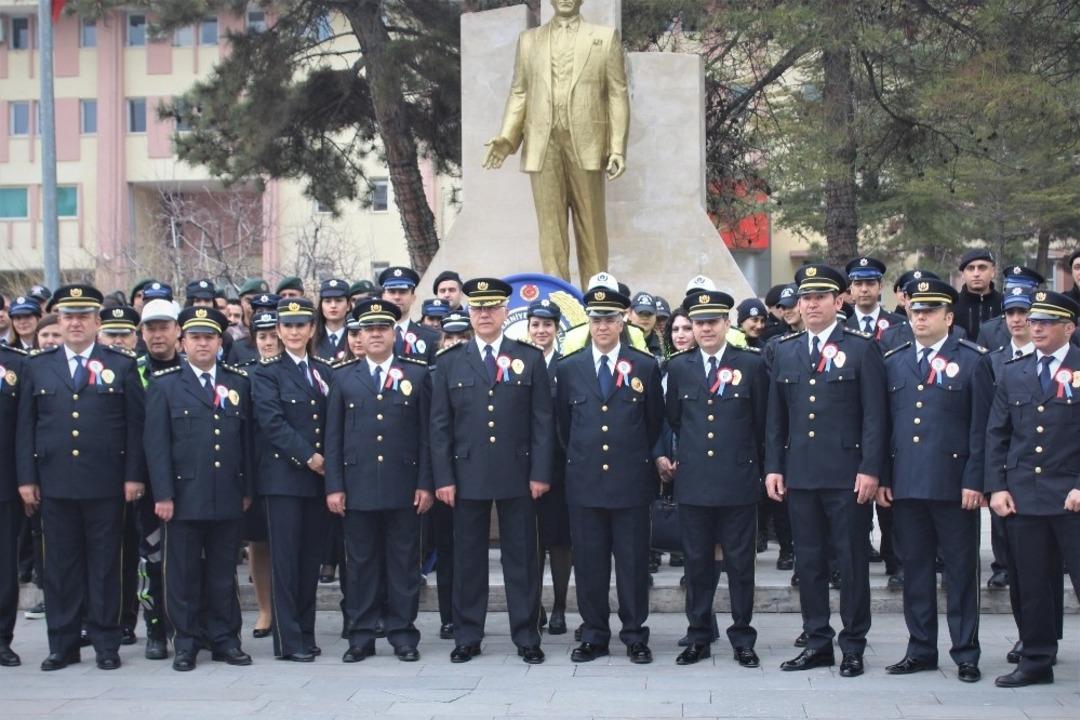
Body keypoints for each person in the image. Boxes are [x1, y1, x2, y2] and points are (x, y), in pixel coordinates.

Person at [764, 264, 887, 678]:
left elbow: (875, 416)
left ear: (840, 301)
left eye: (820, 297)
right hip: (800, 474)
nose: (811, 304)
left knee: (851, 562)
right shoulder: (785, 349)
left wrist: (872, 469)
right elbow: (775, 419)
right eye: (805, 298)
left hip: (847, 476)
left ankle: (853, 643)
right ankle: (817, 641)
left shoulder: (861, 348)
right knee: (810, 563)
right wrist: (773, 468)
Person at [16, 284, 146, 671]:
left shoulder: (120, 365)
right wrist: (27, 478)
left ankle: (107, 642)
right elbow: (27, 427)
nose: (75, 323)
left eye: (83, 316)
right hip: (54, 483)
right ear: (59, 319)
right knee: (59, 567)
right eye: (69, 316)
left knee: (106, 565)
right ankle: (63, 643)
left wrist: (133, 476)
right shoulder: (37, 365)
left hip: (106, 483)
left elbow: (134, 427)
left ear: (96, 321)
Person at [429, 277, 554, 665]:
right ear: (469, 313)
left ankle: (527, 635)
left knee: (523, 558)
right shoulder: (451, 361)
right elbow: (440, 426)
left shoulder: (529, 357)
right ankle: (467, 635)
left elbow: (543, 422)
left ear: (504, 312)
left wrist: (540, 472)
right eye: (477, 308)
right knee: (468, 559)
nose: (484, 314)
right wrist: (444, 478)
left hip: (518, 472)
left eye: (492, 307)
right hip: (466, 476)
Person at [877, 278, 992, 684]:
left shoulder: (975, 360)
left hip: (954, 484)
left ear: (948, 316)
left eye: (930, 311)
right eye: (916, 310)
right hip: (907, 484)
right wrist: (885, 477)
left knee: (961, 572)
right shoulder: (894, 359)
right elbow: (885, 425)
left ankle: (965, 652)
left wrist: (975, 481)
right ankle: (921, 648)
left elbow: (981, 429)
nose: (920, 316)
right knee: (916, 571)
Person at [482, 0, 629, 286]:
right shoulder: (529, 41)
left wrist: (617, 147)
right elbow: (519, 92)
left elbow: (617, 94)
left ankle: (597, 298)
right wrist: (508, 137)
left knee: (592, 228)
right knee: (551, 232)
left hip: (586, 144)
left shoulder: (603, 37)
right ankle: (557, 301)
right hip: (542, 143)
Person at [555, 285, 663, 665]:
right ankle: (595, 634)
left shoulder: (645, 366)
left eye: (610, 319)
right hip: (584, 484)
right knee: (589, 564)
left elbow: (653, 424)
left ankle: (635, 635)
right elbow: (563, 428)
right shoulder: (569, 368)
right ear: (588, 323)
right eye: (596, 319)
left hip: (630, 483)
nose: (602, 326)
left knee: (633, 564)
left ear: (623, 321)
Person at [144, 306, 255, 672]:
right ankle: (186, 643)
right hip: (182, 497)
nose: (202, 343)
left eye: (209, 337)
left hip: (226, 493)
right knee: (183, 574)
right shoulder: (165, 385)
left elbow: (246, 443)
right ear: (183, 340)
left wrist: (246, 488)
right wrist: (162, 494)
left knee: (223, 574)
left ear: (219, 341)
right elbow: (156, 446)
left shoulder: (237, 381)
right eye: (195, 337)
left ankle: (225, 639)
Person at [326, 299, 433, 662]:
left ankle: (403, 634)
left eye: (381, 329)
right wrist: (335, 486)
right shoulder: (343, 377)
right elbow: (333, 438)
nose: (374, 335)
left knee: (403, 565)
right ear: (360, 335)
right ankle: (361, 635)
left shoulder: (417, 375)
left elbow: (425, 436)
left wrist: (425, 483)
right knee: (360, 565)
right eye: (367, 330)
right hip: (357, 488)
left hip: (403, 485)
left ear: (392, 333)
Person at [665, 290, 766, 668]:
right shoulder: (679, 367)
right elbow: (675, 418)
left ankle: (742, 636)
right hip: (694, 482)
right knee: (696, 564)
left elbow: (761, 422)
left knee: (741, 564)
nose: (705, 328)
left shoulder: (751, 365)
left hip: (737, 479)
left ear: (727, 323)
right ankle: (699, 635)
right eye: (699, 322)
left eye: (713, 321)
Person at [986, 290, 1080, 687]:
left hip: (1072, 495)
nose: (1035, 326)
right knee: (1032, 584)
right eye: (1033, 320)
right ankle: (1037, 659)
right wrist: (997, 487)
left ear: (1069, 328)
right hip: (1024, 494)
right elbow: (998, 433)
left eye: (1046, 322)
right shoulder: (1014, 370)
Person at [251, 298, 334, 662]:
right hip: (285, 479)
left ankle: (306, 631)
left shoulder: (323, 370)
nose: (295, 331)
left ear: (312, 329)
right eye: (289, 326)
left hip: (318, 482)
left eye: (302, 325)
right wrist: (311, 457)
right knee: (285, 561)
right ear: (280, 332)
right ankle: (287, 640)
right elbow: (272, 424)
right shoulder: (266, 373)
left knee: (309, 559)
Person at [133, 299, 183, 660]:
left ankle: (190, 626)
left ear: (177, 330)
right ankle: (154, 630)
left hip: (189, 480)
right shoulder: (129, 370)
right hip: (146, 484)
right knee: (151, 558)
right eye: (151, 328)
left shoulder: (194, 368)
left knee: (189, 559)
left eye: (164, 326)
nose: (158, 334)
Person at [527, 299, 571, 636]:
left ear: (557, 329)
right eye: (535, 325)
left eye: (547, 326)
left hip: (558, 467)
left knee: (558, 540)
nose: (541, 331)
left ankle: (558, 606)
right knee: (529, 541)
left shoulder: (566, 367)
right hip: (523, 468)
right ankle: (534, 606)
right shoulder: (518, 364)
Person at [244, 310, 282, 642]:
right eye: (262, 337)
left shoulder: (296, 372)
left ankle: (287, 608)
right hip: (256, 467)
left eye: (273, 336)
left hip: (290, 467)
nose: (268, 343)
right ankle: (265, 609)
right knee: (259, 543)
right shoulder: (245, 375)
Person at [0, 338, 28, 666]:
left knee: (5, 569)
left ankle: (2, 638)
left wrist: (26, 479)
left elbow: (24, 428)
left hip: (4, 483)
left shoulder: (16, 363)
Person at [378, 267, 439, 364]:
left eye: (403, 292)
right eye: (392, 291)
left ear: (413, 298)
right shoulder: (373, 334)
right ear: (383, 297)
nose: (397, 297)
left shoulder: (431, 337)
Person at [978, 266, 1044, 352]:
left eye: (1022, 312)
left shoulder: (1049, 332)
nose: (1016, 319)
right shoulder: (989, 331)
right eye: (1010, 312)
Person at [955, 249, 1003, 343]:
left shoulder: (1004, 304)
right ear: (962, 274)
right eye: (970, 268)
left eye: (982, 268)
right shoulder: (952, 305)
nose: (976, 274)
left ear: (993, 272)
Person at [314, 279, 351, 362]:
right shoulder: (311, 337)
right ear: (321, 305)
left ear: (348, 305)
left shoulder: (355, 336)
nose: (333, 305)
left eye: (338, 300)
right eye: (328, 301)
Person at [630, 291, 663, 358]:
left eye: (649, 314)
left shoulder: (665, 344)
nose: (645, 318)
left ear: (656, 315)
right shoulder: (620, 340)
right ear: (629, 314)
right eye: (640, 313)